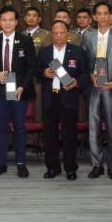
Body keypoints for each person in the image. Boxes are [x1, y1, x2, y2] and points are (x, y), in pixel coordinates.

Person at [36, 20, 89, 180]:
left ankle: (70, 168)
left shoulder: (77, 51)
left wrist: (76, 82)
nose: (59, 36)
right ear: (51, 34)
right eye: (55, 33)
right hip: (50, 97)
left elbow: (85, 73)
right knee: (49, 135)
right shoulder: (44, 52)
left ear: (68, 33)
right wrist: (43, 73)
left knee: (69, 135)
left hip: (68, 97)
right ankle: (52, 167)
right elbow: (36, 71)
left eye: (62, 33)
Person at [0, 6, 36, 178]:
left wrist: (23, 86)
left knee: (19, 127)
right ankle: (1, 162)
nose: (7, 23)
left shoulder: (25, 40)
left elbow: (31, 67)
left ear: (16, 22)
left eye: (10, 20)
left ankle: (21, 163)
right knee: (1, 127)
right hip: (0, 89)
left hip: (19, 89)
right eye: (4, 20)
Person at [83, 2, 112, 180]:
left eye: (105, 13)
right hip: (94, 87)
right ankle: (96, 165)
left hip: (111, 88)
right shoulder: (88, 37)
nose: (102, 17)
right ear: (94, 17)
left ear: (110, 16)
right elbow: (84, 63)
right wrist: (89, 74)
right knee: (93, 128)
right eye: (99, 14)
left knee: (111, 128)